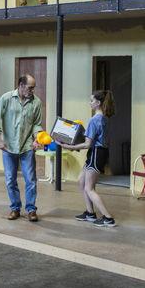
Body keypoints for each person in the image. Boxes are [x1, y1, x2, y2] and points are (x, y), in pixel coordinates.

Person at [58, 90, 116, 227]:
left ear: (98, 103)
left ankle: (108, 218)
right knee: (81, 181)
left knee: (89, 188)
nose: (89, 103)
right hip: (99, 152)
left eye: (91, 101)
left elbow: (87, 143)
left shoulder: (95, 120)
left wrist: (68, 146)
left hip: (96, 153)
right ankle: (90, 213)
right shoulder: (104, 118)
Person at [0, 74, 43, 222]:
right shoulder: (6, 98)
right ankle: (15, 208)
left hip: (26, 147)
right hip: (8, 147)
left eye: (33, 88)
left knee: (31, 180)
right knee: (10, 180)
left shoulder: (36, 102)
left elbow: (36, 124)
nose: (32, 91)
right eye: (30, 88)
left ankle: (31, 210)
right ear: (20, 85)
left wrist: (37, 138)